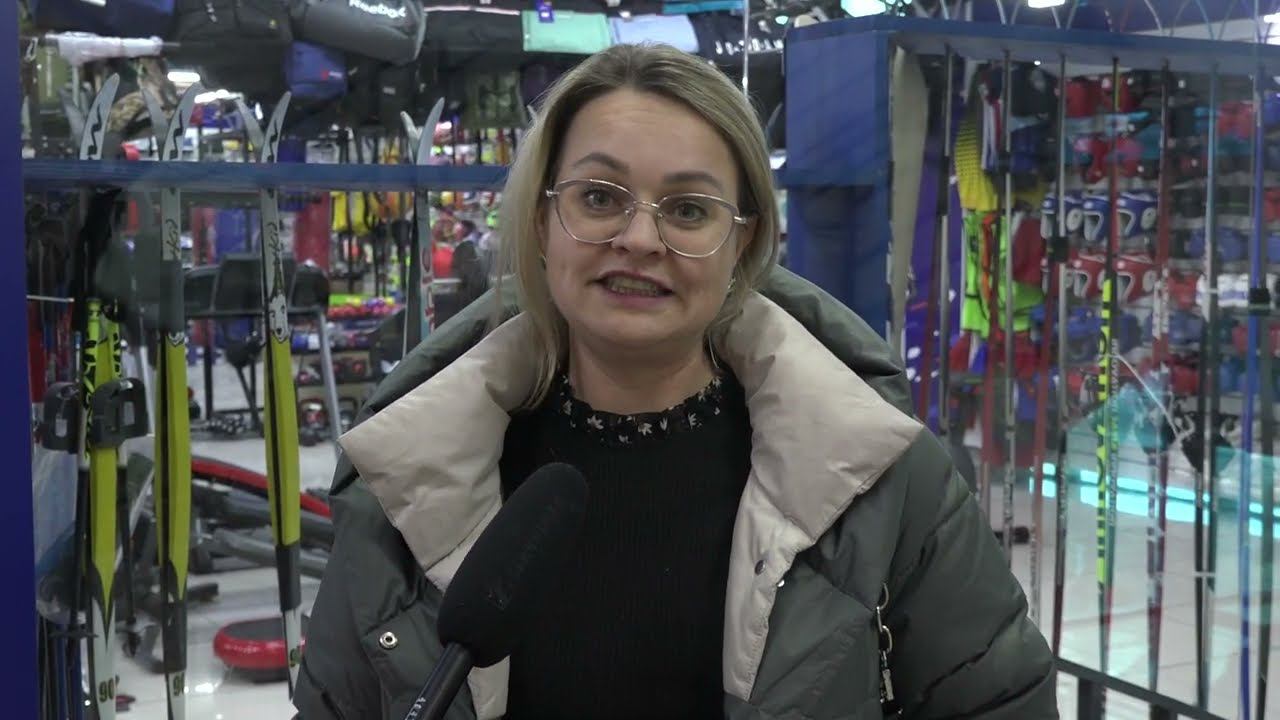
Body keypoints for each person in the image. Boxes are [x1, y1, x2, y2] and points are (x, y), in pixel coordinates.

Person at [294, 43, 1058, 720]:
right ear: (541, 220)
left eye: (688, 210)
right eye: (600, 197)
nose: (638, 239)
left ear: (741, 242)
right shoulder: (411, 476)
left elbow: (998, 702)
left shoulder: (880, 479)